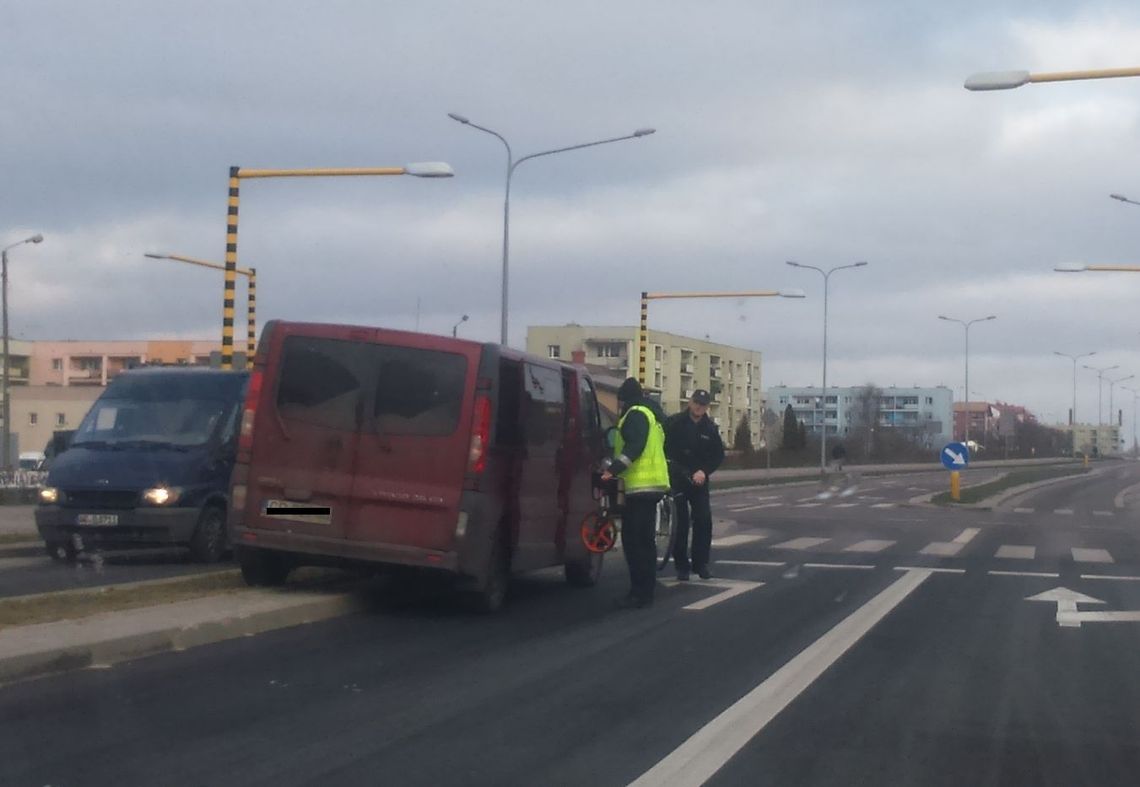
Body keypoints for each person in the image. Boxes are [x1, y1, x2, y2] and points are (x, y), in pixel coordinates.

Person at [601, 377, 670, 609]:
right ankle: (644, 591)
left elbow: (635, 446)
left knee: (635, 542)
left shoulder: (635, 414)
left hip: (640, 487)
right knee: (644, 541)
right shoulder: (653, 415)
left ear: (624, 400)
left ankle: (640, 593)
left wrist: (612, 470)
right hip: (652, 486)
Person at [664, 389, 725, 580]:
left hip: (699, 481)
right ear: (690, 402)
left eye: (703, 404)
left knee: (703, 521)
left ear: (707, 407)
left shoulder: (710, 428)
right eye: (696, 402)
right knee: (680, 524)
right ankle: (682, 565)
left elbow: (717, 455)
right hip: (678, 480)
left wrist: (704, 471)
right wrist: (675, 469)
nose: (699, 407)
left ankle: (701, 564)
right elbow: (665, 450)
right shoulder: (674, 423)